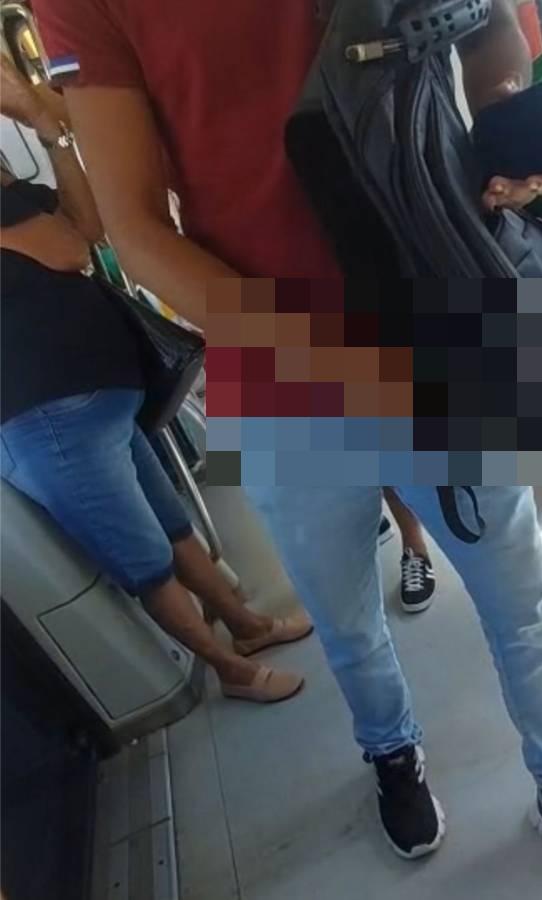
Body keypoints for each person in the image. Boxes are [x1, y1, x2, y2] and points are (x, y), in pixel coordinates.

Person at [37, 0, 542, 890]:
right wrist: (330, 359)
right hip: (271, 353)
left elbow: (491, 30)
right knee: (346, 613)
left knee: (521, 597)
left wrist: (507, 119)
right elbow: (135, 228)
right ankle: (391, 753)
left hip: (447, 302)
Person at [0, 55, 310, 703]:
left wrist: (51, 134)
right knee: (145, 560)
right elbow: (69, 251)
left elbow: (90, 225)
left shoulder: (10, 199)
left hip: (93, 403)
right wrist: (34, 115)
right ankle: (232, 672)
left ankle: (246, 626)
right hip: (48, 418)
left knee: (172, 529)